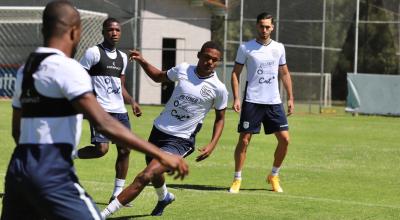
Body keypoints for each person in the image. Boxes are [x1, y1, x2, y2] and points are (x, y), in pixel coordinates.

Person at [1, 1, 188, 219]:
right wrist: (160, 155)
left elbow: (17, 130)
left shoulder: (26, 69)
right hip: (51, 171)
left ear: (43, 29)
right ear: (74, 31)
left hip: (18, 169)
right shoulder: (69, 69)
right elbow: (104, 123)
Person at [101, 41, 228, 218]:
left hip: (180, 141)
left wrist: (212, 145)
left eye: (215, 60)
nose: (210, 62)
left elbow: (220, 119)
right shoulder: (183, 69)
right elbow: (158, 77)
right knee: (154, 172)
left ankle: (101, 215)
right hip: (158, 131)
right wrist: (142, 61)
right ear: (199, 55)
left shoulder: (219, 88)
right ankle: (164, 197)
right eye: (207, 57)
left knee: (145, 176)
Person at [75, 17, 142, 204]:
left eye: (117, 30)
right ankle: (71, 154)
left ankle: (117, 194)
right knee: (101, 150)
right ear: (103, 32)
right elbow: (79, 77)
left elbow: (121, 86)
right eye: (111, 30)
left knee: (125, 150)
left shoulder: (122, 57)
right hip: (100, 111)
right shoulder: (93, 53)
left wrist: (132, 101)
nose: (114, 33)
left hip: (120, 111)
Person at [228, 12, 294, 194]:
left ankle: (274, 175)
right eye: (261, 26)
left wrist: (290, 97)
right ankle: (237, 179)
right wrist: (236, 97)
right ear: (256, 26)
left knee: (285, 140)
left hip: (273, 102)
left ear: (272, 27)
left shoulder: (279, 48)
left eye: (267, 26)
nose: (264, 30)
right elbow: (235, 73)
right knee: (244, 140)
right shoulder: (245, 48)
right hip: (252, 101)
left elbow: (285, 73)